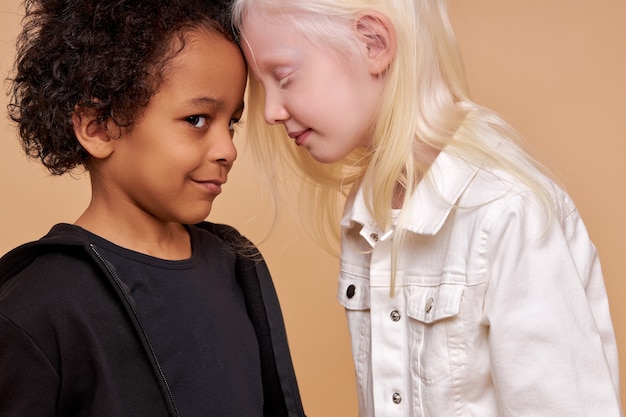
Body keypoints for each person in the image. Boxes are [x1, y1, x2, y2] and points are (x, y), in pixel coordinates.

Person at [230, 0, 623, 416]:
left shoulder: (506, 212)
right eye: (262, 86)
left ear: (373, 43)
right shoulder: (367, 216)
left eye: (284, 78)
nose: (270, 111)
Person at [0, 0, 306, 416]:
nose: (228, 149)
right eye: (197, 119)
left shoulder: (236, 264)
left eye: (231, 123)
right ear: (98, 126)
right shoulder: (37, 304)